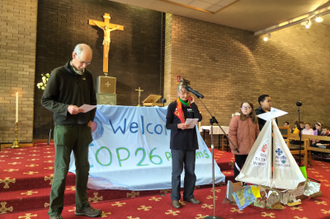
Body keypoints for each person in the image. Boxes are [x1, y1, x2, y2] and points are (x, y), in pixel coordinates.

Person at [41, 44, 101, 219]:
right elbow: (46, 100)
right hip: (64, 128)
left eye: (88, 63)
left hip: (83, 128)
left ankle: (82, 206)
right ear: (74, 55)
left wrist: (90, 120)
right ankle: (55, 211)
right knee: (61, 170)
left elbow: (92, 100)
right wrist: (66, 108)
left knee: (84, 168)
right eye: (82, 62)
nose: (84, 66)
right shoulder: (58, 73)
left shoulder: (88, 76)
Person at [166, 78, 202, 209]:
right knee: (176, 172)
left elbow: (199, 118)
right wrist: (178, 125)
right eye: (182, 93)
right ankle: (175, 198)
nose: (185, 95)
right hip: (177, 144)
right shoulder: (172, 106)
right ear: (177, 93)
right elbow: (167, 124)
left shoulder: (192, 105)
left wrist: (194, 105)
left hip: (191, 143)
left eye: (186, 93)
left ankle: (189, 195)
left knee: (190, 171)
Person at [228, 101, 260, 180]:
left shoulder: (254, 120)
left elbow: (258, 133)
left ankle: (245, 182)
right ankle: (237, 182)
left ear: (251, 109)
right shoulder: (236, 119)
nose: (245, 109)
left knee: (247, 167)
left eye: (248, 107)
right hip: (239, 148)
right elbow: (231, 133)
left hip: (250, 148)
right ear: (241, 109)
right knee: (238, 166)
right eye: (243, 107)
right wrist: (234, 146)